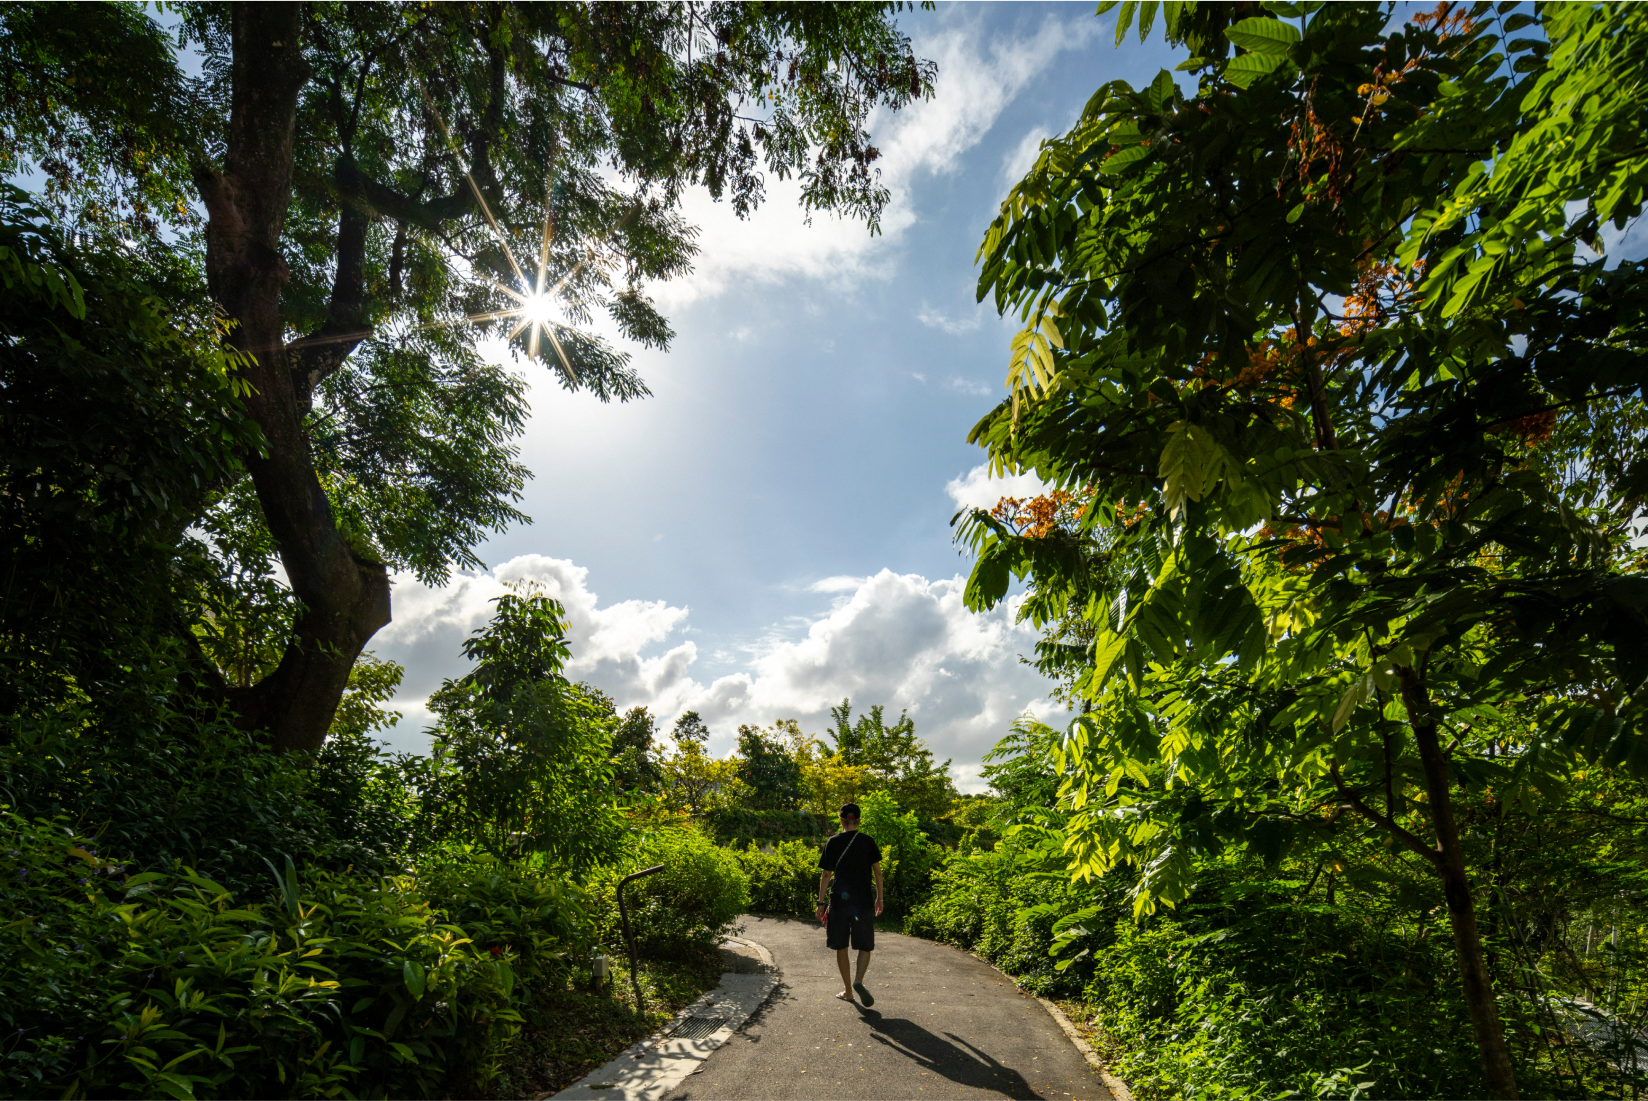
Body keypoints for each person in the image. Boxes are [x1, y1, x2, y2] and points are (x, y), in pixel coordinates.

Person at [815, 802, 884, 1005]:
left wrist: (820, 903)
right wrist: (880, 898)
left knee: (841, 946)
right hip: (862, 902)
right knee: (864, 945)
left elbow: (826, 874)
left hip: (839, 902)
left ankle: (848, 991)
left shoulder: (833, 842)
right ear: (859, 821)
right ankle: (858, 981)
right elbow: (877, 872)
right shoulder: (868, 841)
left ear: (841, 820)